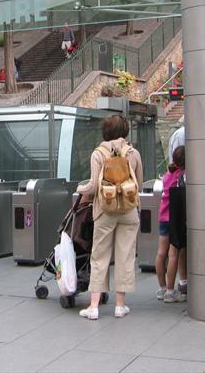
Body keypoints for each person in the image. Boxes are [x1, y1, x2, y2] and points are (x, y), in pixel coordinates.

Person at [76, 114, 143, 320]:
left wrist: (79, 188)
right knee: (125, 256)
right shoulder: (133, 153)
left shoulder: (99, 153)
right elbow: (138, 183)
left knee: (99, 256)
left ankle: (94, 306)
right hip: (129, 211)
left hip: (105, 210)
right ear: (125, 132)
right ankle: (120, 306)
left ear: (105, 132)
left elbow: (94, 186)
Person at [155, 146, 187, 303]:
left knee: (161, 253)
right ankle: (170, 291)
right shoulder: (182, 175)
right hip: (174, 218)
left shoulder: (168, 174)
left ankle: (161, 289)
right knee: (173, 253)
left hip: (162, 216)